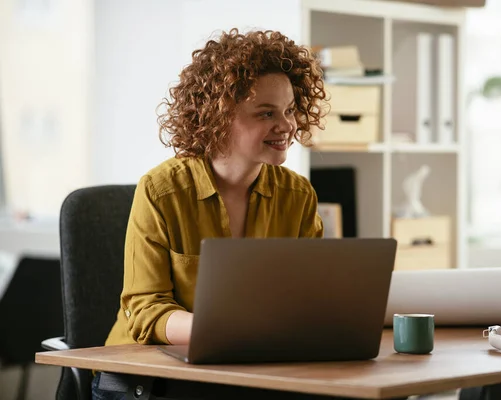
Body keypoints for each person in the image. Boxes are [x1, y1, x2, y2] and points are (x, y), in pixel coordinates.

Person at [92, 28, 330, 399]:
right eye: (266, 113)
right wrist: (224, 329)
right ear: (217, 117)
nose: (285, 126)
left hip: (247, 370)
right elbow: (144, 310)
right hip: (144, 376)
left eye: (288, 110)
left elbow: (310, 296)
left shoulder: (297, 196)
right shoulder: (160, 191)